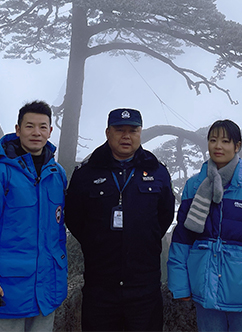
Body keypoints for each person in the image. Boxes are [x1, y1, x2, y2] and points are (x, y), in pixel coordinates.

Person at [167, 119, 242, 332]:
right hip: (205, 294)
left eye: (225, 141)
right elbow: (182, 240)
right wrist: (180, 285)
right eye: (213, 140)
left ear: (237, 146)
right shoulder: (194, 185)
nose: (218, 146)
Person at [65, 108, 175, 331]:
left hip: (144, 286)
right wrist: (96, 242)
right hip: (101, 287)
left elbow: (165, 216)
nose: (126, 136)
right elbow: (74, 217)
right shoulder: (86, 173)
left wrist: (144, 238)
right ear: (107, 132)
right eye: (119, 130)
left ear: (140, 133)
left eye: (133, 130)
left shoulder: (157, 171)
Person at [0, 101, 68, 332]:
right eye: (30, 126)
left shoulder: (57, 175)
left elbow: (59, 232)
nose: (36, 133)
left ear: (50, 131)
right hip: (7, 291)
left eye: (43, 127)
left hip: (47, 292)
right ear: (18, 129)